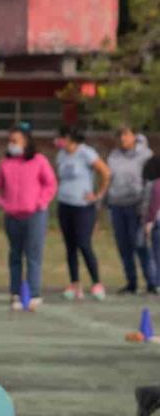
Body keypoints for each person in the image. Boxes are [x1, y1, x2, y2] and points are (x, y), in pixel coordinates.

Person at [0, 124, 57, 311]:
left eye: (16, 140)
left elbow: (50, 184)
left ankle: (34, 293)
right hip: (12, 215)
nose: (12, 144)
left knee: (33, 255)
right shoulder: (5, 163)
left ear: (26, 141)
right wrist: (4, 204)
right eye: (10, 141)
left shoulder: (39, 160)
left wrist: (41, 202)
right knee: (15, 254)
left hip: (35, 215)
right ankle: (15, 292)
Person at [54, 128, 109, 301]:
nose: (59, 142)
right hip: (65, 204)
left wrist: (98, 194)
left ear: (70, 138)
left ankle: (96, 282)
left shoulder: (86, 152)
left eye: (61, 138)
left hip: (83, 206)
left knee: (83, 244)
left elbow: (105, 172)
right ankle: (74, 283)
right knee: (70, 245)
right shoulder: (61, 155)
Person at [106, 126, 155, 295]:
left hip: (137, 205)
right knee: (123, 246)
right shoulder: (113, 156)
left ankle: (152, 281)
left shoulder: (146, 155)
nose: (123, 139)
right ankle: (131, 282)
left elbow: (151, 182)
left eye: (126, 135)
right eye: (119, 135)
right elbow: (109, 178)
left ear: (134, 136)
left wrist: (146, 207)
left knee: (140, 245)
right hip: (117, 205)